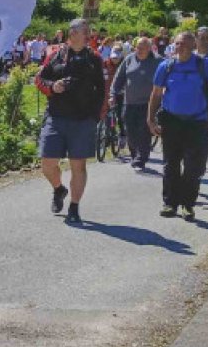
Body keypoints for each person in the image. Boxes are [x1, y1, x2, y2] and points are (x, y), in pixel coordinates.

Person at [35, 18, 105, 224]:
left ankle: (74, 206)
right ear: (72, 33)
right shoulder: (55, 54)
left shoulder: (94, 58)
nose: (89, 36)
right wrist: (52, 86)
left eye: (88, 32)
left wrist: (96, 116)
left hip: (82, 120)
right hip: (56, 117)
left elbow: (102, 88)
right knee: (47, 163)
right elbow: (39, 79)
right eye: (85, 32)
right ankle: (59, 189)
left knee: (78, 166)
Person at [149, 32, 208, 221]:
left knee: (193, 167)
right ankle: (170, 203)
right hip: (171, 121)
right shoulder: (166, 66)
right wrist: (150, 119)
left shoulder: (204, 65)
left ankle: (188, 204)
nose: (179, 47)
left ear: (193, 46)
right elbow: (156, 94)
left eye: (183, 44)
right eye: (177, 43)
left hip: (197, 122)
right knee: (170, 165)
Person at [111, 36, 160, 169]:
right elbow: (119, 78)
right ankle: (134, 154)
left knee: (144, 131)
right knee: (130, 131)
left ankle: (141, 158)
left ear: (149, 48)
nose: (140, 50)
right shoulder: (129, 59)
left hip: (148, 104)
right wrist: (113, 94)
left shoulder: (157, 61)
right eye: (138, 47)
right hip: (129, 102)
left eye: (143, 48)